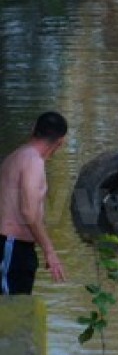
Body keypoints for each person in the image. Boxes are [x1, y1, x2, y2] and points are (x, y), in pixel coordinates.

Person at [0, 111, 68, 295]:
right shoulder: (33, 162)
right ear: (60, 142)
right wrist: (49, 251)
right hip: (12, 247)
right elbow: (28, 212)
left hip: (13, 247)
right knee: (11, 310)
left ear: (33, 130)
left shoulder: (17, 156)